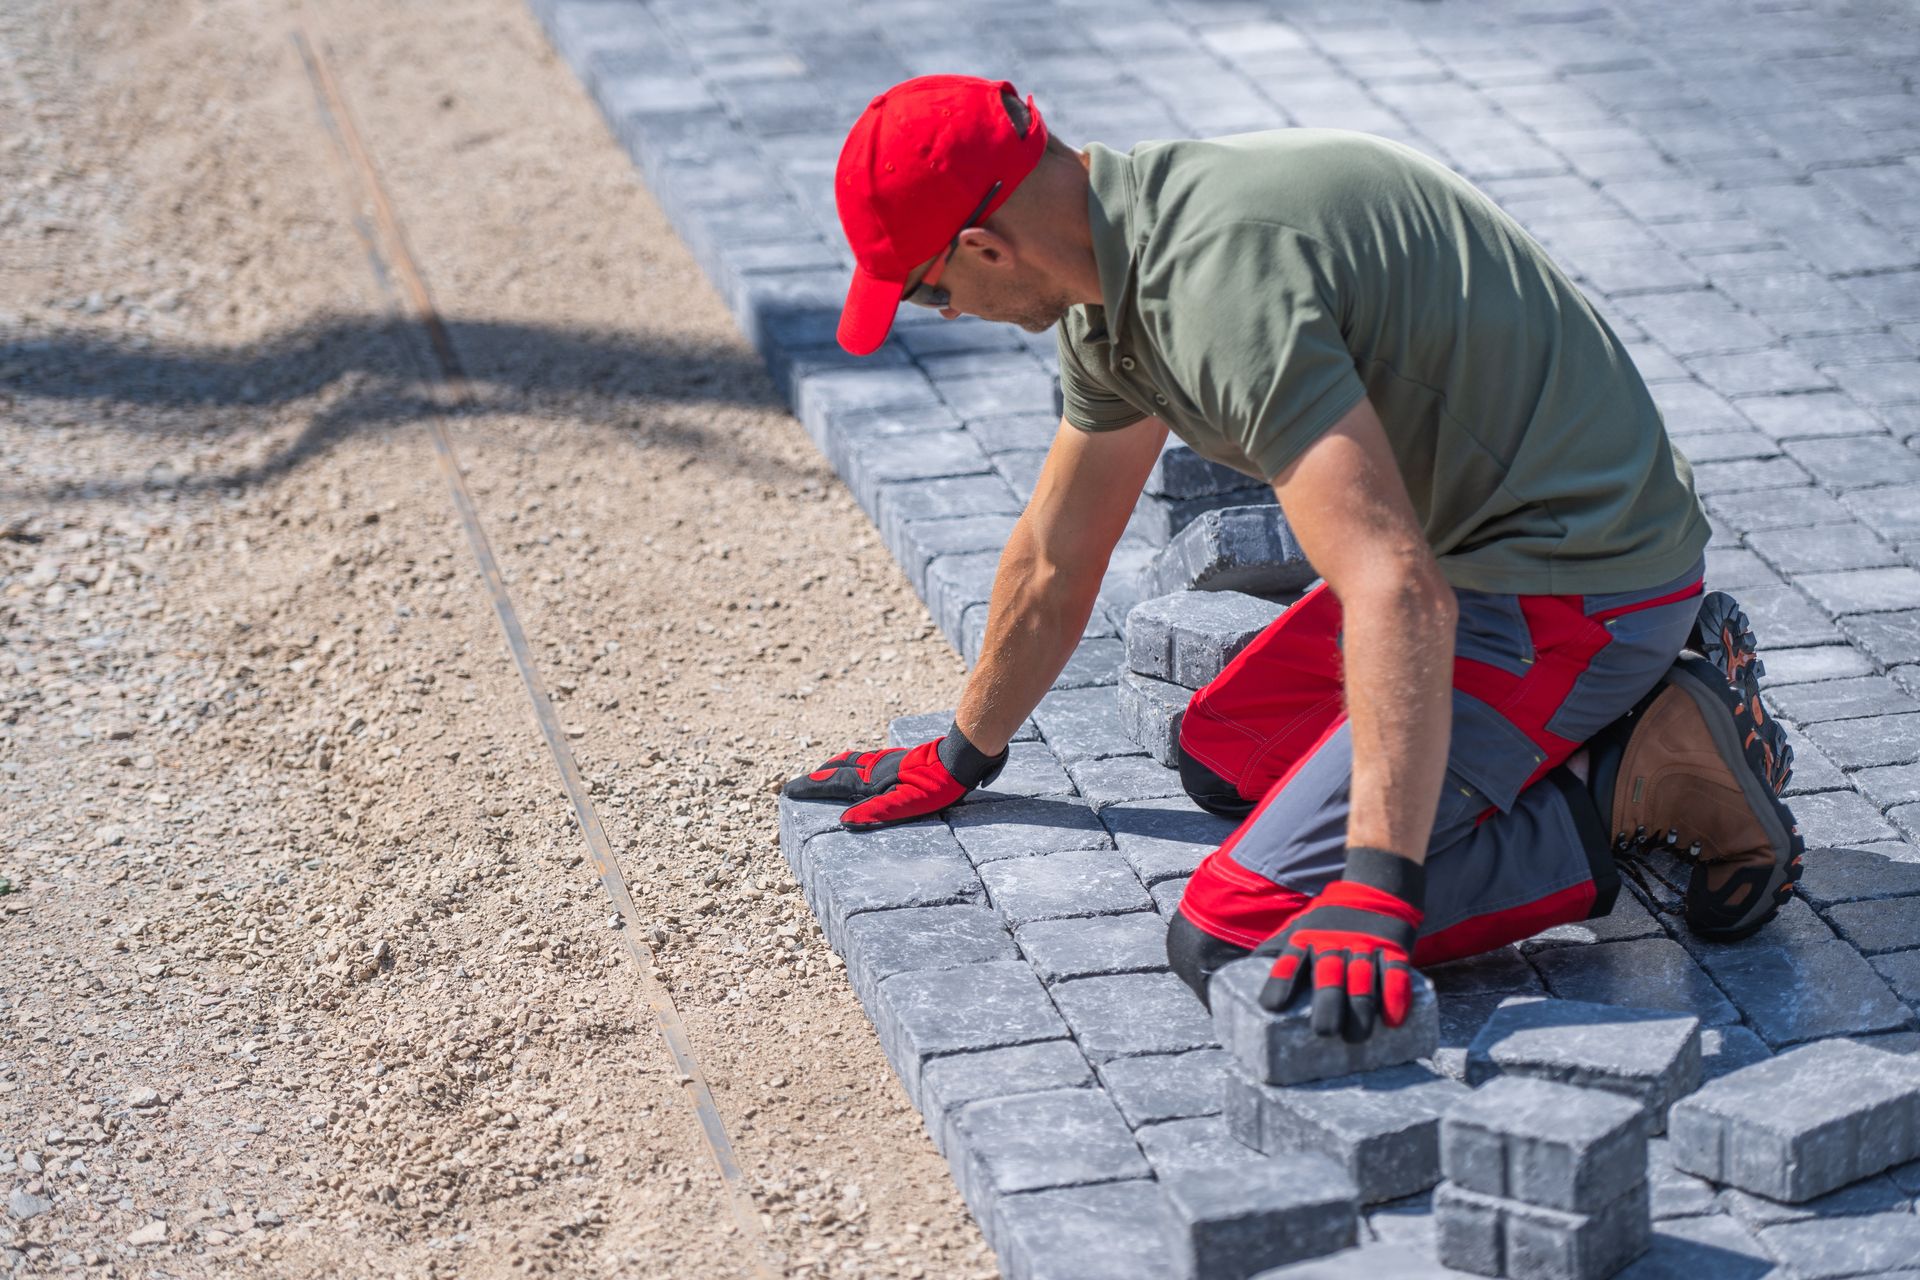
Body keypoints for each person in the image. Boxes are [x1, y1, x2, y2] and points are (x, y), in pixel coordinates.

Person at [786, 74, 1800, 1042]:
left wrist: (1375, 883)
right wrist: (963, 751)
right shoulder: (1116, 265)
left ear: (985, 247)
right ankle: (1613, 721)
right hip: (1467, 550)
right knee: (1225, 756)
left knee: (1241, 939)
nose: (948, 314)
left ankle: (1637, 775)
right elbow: (1058, 551)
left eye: (927, 292)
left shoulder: (1218, 291)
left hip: (1578, 578)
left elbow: (1391, 583)